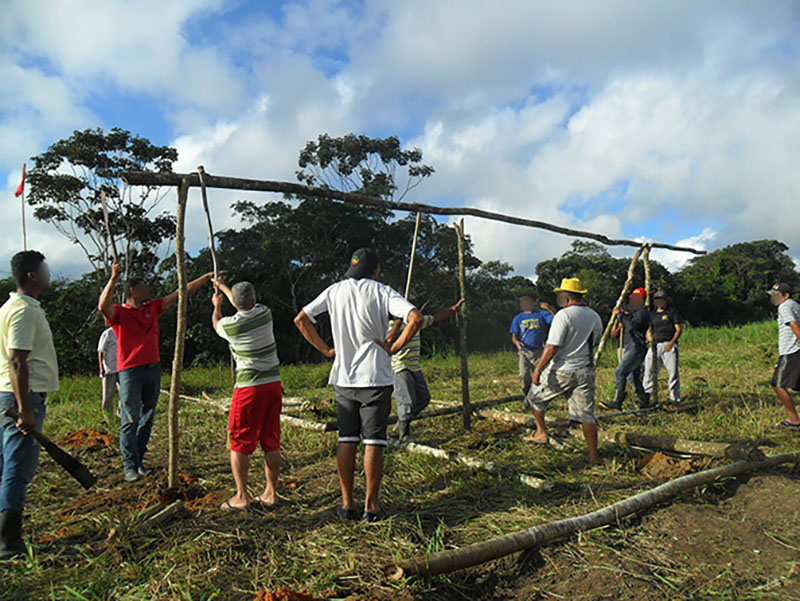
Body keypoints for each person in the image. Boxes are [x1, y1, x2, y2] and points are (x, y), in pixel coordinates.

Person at [294, 248, 422, 522]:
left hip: (343, 378)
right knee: (374, 440)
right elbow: (416, 318)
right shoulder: (382, 291)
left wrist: (327, 350)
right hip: (375, 377)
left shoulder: (335, 291)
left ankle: (346, 504)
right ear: (376, 270)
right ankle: (371, 507)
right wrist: (394, 346)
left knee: (346, 438)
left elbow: (301, 320)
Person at [97, 260, 217, 482]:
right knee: (130, 418)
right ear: (132, 291)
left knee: (148, 417)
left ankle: (139, 461)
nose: (148, 291)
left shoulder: (152, 308)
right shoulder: (120, 314)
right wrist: (113, 277)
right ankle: (129, 466)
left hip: (152, 369)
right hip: (130, 372)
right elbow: (102, 306)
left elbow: (180, 292)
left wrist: (206, 277)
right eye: (143, 287)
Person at [0, 251, 58, 558]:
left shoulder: (17, 307)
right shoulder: (22, 310)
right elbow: (17, 360)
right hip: (21, 397)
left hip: (11, 395)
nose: (49, 273)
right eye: (45, 269)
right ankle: (9, 542)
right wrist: (24, 409)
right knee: (17, 468)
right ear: (32, 275)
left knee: (5, 466)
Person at [212, 280, 283, 510]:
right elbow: (242, 301)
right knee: (271, 440)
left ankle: (242, 496)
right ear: (254, 300)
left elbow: (216, 323)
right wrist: (223, 288)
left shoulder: (230, 326)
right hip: (273, 384)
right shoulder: (265, 313)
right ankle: (271, 493)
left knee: (239, 442)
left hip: (249, 388)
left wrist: (216, 305)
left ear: (235, 303)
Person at [524, 278, 603, 463]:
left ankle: (541, 432)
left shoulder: (563, 315)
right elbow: (596, 342)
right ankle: (593, 456)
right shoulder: (594, 316)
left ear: (567, 297)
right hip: (585, 370)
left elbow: (552, 347)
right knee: (586, 415)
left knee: (534, 398)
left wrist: (537, 370)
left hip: (562, 370)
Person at [386, 298, 465, 441]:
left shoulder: (417, 322)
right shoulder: (391, 325)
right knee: (406, 402)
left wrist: (453, 310)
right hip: (400, 367)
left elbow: (435, 318)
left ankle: (402, 422)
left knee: (424, 398)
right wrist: (398, 321)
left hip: (414, 366)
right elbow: (390, 339)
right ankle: (404, 435)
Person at [600, 288, 650, 411]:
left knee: (620, 372)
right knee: (633, 377)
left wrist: (620, 315)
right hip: (628, 346)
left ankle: (617, 401)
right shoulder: (631, 310)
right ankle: (643, 399)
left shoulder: (643, 312)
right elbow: (621, 306)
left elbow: (632, 325)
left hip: (636, 347)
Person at [768, 282, 800, 431]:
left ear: (785, 296)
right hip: (795, 350)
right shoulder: (795, 305)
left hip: (791, 351)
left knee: (778, 384)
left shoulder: (785, 306)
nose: (773, 299)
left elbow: (793, 325)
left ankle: (794, 419)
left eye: (776, 295)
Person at [509, 296, 555, 397]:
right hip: (524, 352)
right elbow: (514, 337)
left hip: (539, 351)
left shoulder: (541, 315)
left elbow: (557, 321)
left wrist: (550, 309)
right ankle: (526, 395)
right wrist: (517, 343)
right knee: (524, 375)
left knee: (542, 376)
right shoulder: (518, 318)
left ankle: (541, 396)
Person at [642, 290, 682, 404]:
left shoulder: (672, 312)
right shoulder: (652, 314)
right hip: (654, 345)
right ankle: (647, 396)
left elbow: (678, 329)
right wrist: (648, 339)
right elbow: (648, 329)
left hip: (668, 344)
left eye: (661, 299)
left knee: (673, 372)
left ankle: (675, 398)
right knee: (649, 371)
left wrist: (671, 343)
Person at [97, 327, 119, 416]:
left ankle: (121, 414)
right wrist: (101, 368)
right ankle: (108, 416)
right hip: (109, 369)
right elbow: (100, 351)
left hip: (122, 368)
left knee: (124, 394)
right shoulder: (108, 333)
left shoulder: (124, 331)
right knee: (108, 394)